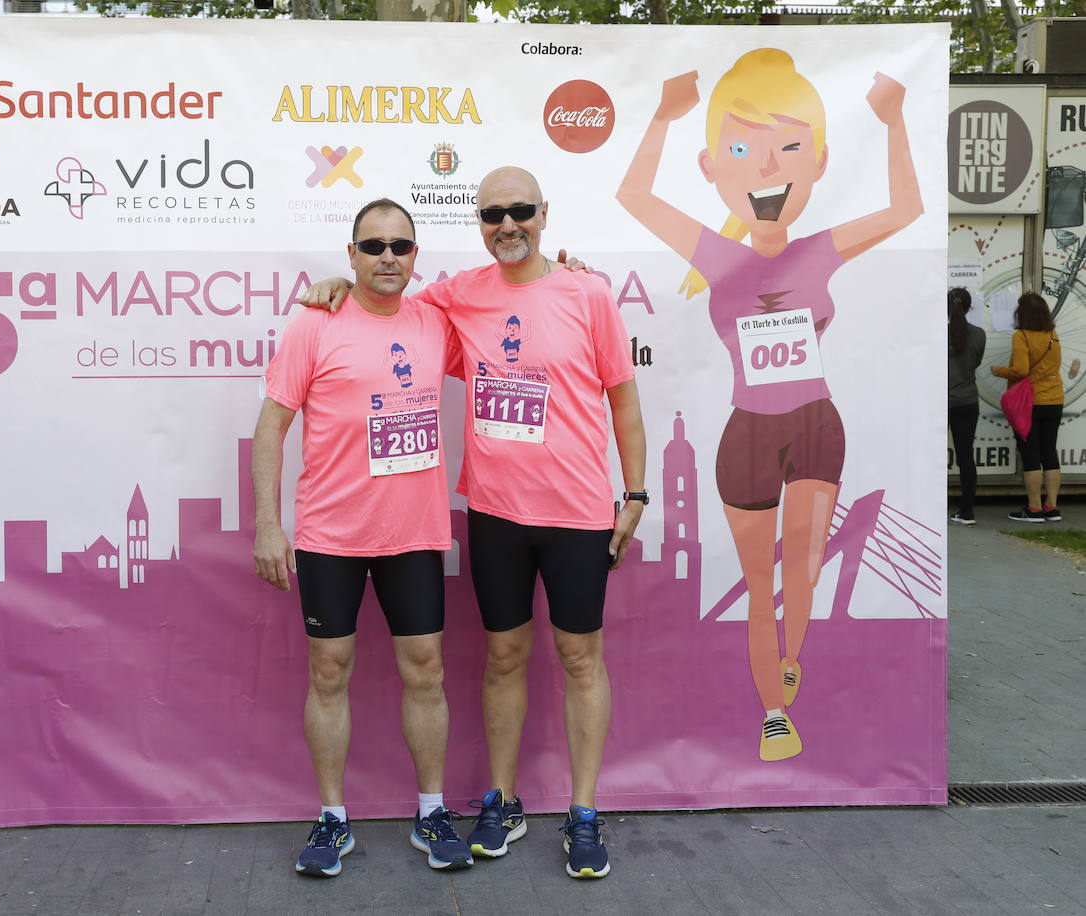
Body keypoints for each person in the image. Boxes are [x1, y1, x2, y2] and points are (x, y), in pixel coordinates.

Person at [305, 166, 648, 880]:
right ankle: (504, 798)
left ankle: (585, 814)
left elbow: (624, 399)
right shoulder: (457, 295)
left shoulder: (588, 292)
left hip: (580, 511)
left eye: (521, 210)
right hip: (494, 512)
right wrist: (335, 288)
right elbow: (385, 296)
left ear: (544, 213)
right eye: (493, 214)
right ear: (479, 223)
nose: (507, 224)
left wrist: (637, 493)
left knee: (582, 659)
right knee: (503, 657)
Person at [617, 49, 922, 762]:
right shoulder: (715, 257)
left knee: (804, 569)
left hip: (816, 427)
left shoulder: (820, 249)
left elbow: (907, 209)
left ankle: (791, 654)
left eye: (788, 148)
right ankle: (775, 710)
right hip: (749, 435)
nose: (765, 167)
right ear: (712, 168)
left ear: (816, 162)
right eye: (742, 149)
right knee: (762, 584)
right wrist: (661, 116)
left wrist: (894, 118)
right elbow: (634, 198)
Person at [251, 198, 472, 878]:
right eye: (372, 247)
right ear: (350, 255)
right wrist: (267, 522)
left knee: (425, 672)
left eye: (399, 247)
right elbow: (271, 426)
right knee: (328, 673)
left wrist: (568, 273)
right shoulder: (315, 323)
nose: (386, 258)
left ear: (415, 256)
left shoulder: (437, 320)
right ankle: (332, 819)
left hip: (412, 533)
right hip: (331, 534)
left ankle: (431, 810)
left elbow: (515, 321)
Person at [992, 292, 1064, 522]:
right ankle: (1051, 507)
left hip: (1029, 403)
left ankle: (1033, 509)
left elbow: (1021, 370)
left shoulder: (1021, 335)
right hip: (1054, 399)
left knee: (1031, 454)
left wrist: (999, 371)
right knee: (1049, 453)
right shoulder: (1053, 334)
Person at [947, 288, 985, 525]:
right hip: (968, 401)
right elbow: (976, 363)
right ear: (969, 307)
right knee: (965, 456)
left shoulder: (937, 334)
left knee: (928, 455)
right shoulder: (979, 334)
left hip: (939, 403)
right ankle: (967, 510)